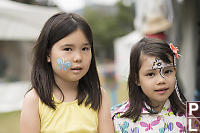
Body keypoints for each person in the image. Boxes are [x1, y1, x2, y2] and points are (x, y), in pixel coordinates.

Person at [20, 12, 114, 133]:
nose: (78, 57)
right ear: (48, 54)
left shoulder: (99, 95)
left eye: (85, 48)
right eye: (68, 49)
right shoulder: (34, 100)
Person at [111, 37, 187, 133]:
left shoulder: (192, 115)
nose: (161, 80)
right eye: (150, 74)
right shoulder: (119, 120)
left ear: (174, 72)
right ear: (136, 79)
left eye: (167, 71)